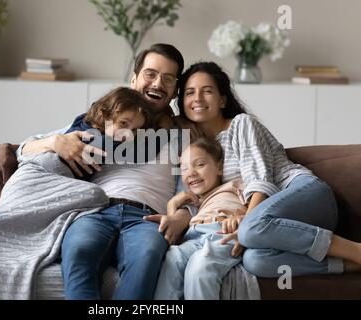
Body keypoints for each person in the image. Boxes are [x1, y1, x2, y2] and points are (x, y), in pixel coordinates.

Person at [155, 61, 361, 280]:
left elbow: (260, 181)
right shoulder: (197, 149)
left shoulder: (241, 124)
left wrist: (246, 219)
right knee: (256, 261)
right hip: (274, 227)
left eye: (207, 91)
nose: (197, 98)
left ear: (223, 99)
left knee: (250, 230)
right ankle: (347, 264)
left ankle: (356, 250)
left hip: (306, 195)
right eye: (189, 93)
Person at [17, 43, 191, 299]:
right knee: (78, 251)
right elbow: (22, 150)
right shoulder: (99, 119)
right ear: (134, 78)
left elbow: (190, 186)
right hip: (95, 210)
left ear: (175, 90)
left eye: (167, 78)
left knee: (148, 255)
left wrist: (183, 216)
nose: (157, 84)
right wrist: (54, 142)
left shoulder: (179, 134)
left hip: (146, 218)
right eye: (150, 74)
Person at [155, 137, 248, 300]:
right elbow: (174, 232)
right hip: (194, 237)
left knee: (200, 266)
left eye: (200, 165)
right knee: (172, 257)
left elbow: (262, 204)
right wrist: (172, 204)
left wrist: (242, 217)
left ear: (219, 167)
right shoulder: (194, 203)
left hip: (223, 234)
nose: (191, 173)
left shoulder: (234, 185)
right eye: (184, 169)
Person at [62, 86, 153, 179]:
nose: (128, 134)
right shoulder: (105, 144)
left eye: (134, 130)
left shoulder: (82, 121)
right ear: (105, 115)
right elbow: (144, 152)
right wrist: (165, 127)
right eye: (123, 123)